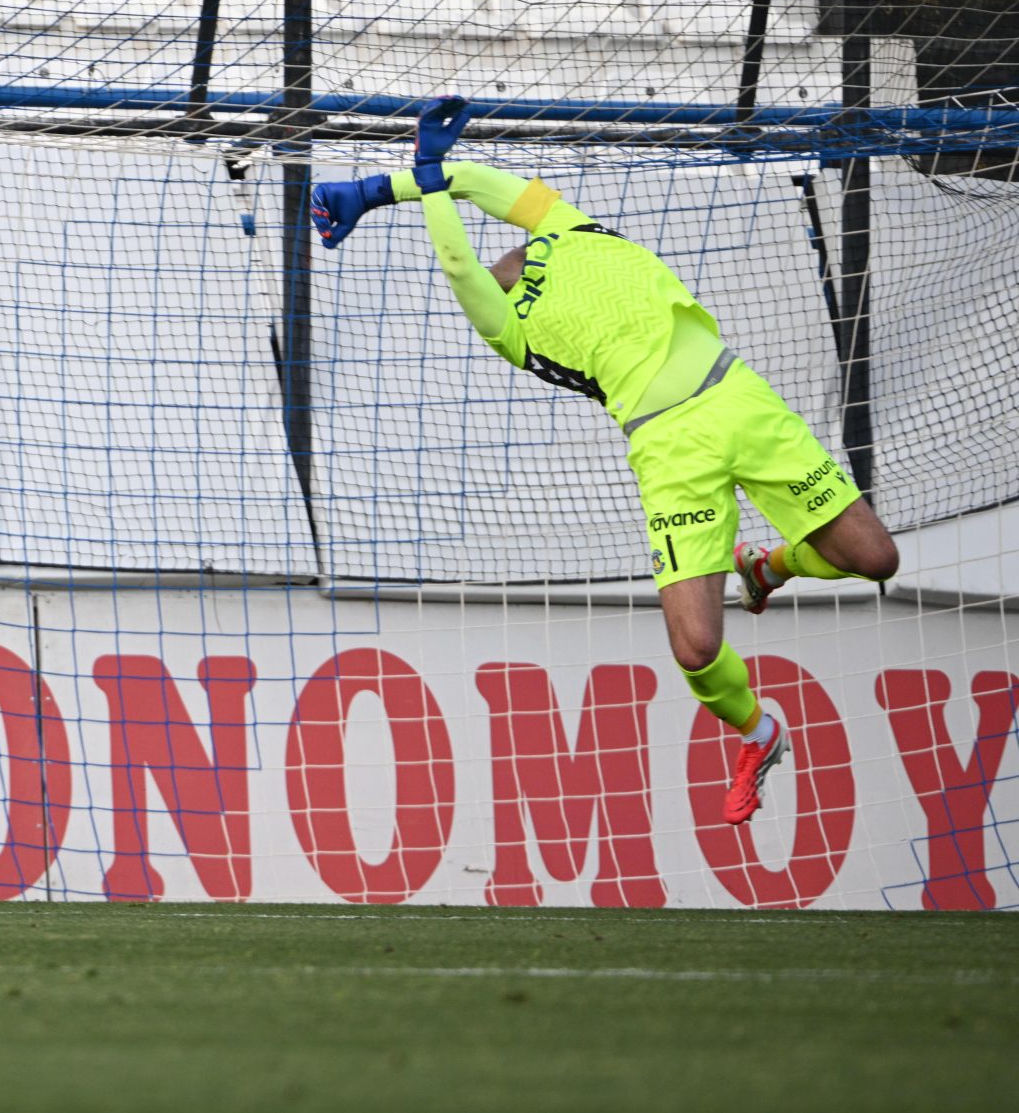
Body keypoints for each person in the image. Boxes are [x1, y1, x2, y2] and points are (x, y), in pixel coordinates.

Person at [311, 97, 899, 825]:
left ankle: (766, 568)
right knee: (696, 647)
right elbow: (459, 261)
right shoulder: (507, 326)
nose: (500, 253)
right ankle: (757, 732)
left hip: (741, 400)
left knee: (875, 558)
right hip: (669, 451)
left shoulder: (567, 225)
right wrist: (426, 175)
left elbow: (476, 182)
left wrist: (374, 191)